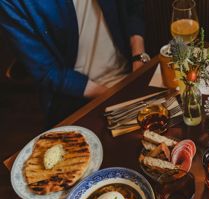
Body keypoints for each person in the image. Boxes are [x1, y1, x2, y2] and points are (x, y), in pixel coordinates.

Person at [0, 0, 149, 127]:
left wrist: (138, 59)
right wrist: (113, 95)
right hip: (78, 100)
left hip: (132, 73)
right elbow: (47, 72)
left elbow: (132, 8)